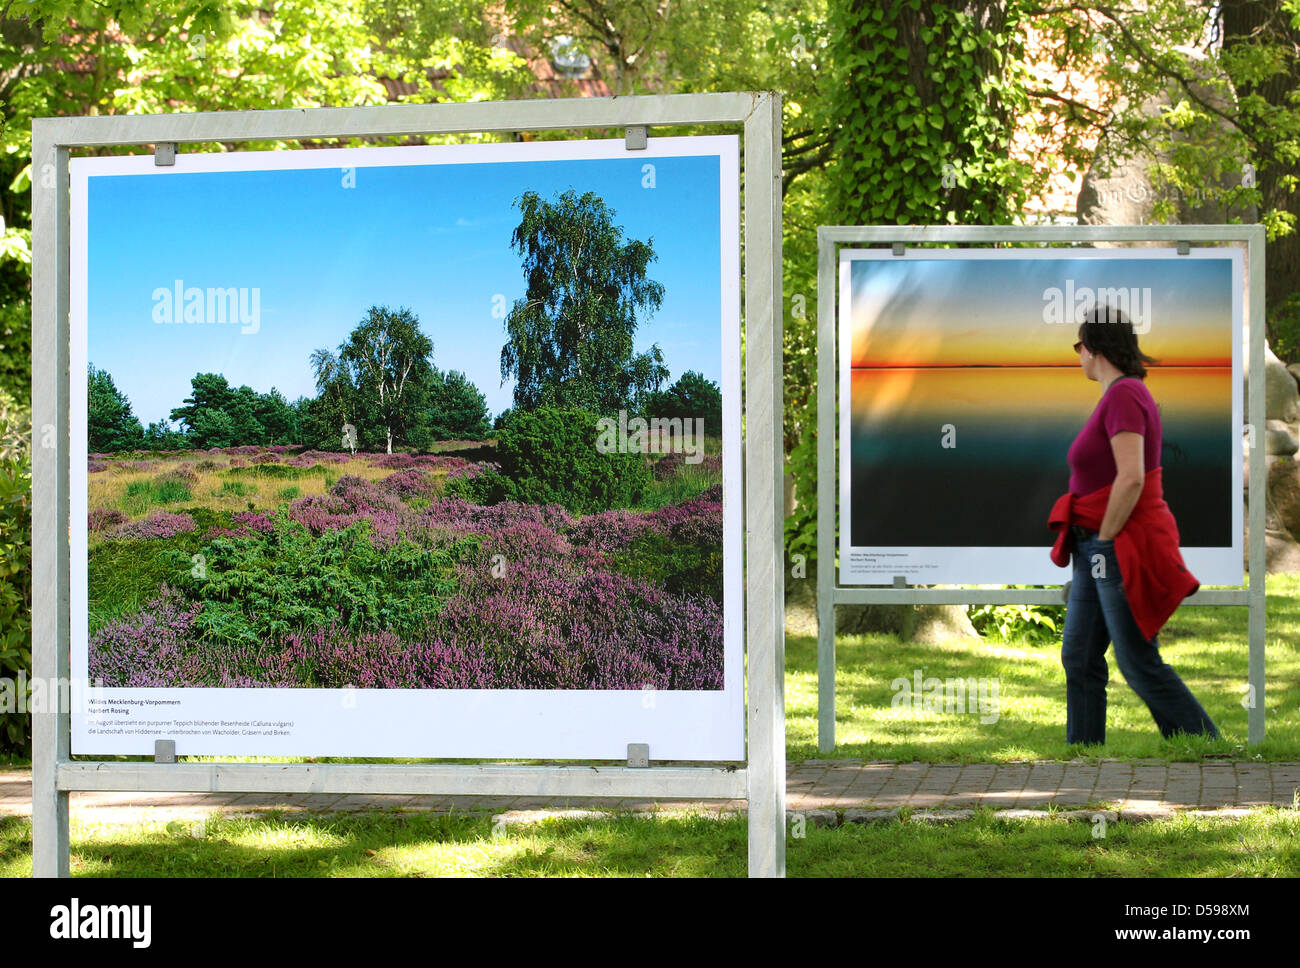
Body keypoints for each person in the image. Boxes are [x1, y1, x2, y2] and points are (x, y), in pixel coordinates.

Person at [1048, 305, 1219, 746]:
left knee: (1137, 658)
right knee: (1080, 655)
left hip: (1114, 545)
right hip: (1093, 547)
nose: (1078, 355)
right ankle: (1083, 759)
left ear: (1095, 348)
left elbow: (1132, 477)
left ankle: (1207, 748)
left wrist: (1104, 543)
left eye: (1079, 345)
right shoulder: (1118, 396)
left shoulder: (1125, 395)